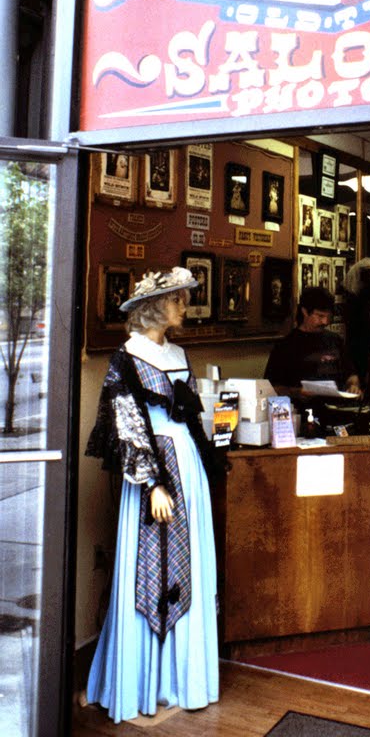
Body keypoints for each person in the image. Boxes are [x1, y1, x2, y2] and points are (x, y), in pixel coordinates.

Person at [85, 266, 219, 723]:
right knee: (149, 563)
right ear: (155, 306)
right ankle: (144, 681)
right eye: (178, 300)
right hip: (154, 473)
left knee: (188, 560)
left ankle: (180, 679)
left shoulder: (179, 353)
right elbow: (127, 424)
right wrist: (153, 483)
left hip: (188, 466)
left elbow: (191, 417)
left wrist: (205, 463)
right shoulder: (127, 357)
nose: (184, 307)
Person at [264, 285, 362, 394]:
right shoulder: (285, 346)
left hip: (337, 402)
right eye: (320, 316)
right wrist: (297, 392)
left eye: (328, 317)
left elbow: (351, 375)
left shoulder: (335, 340)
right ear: (305, 312)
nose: (325, 322)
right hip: (302, 403)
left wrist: (353, 385)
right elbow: (271, 388)